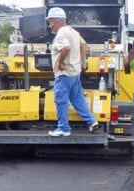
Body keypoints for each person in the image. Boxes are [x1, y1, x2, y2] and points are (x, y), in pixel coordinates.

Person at [46, 7, 99, 137]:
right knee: (77, 99)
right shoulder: (73, 32)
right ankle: (92, 121)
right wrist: (82, 62)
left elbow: (66, 48)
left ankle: (63, 128)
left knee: (60, 100)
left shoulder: (61, 33)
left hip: (64, 74)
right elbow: (84, 44)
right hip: (75, 73)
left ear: (55, 21)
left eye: (50, 22)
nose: (49, 25)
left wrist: (60, 62)